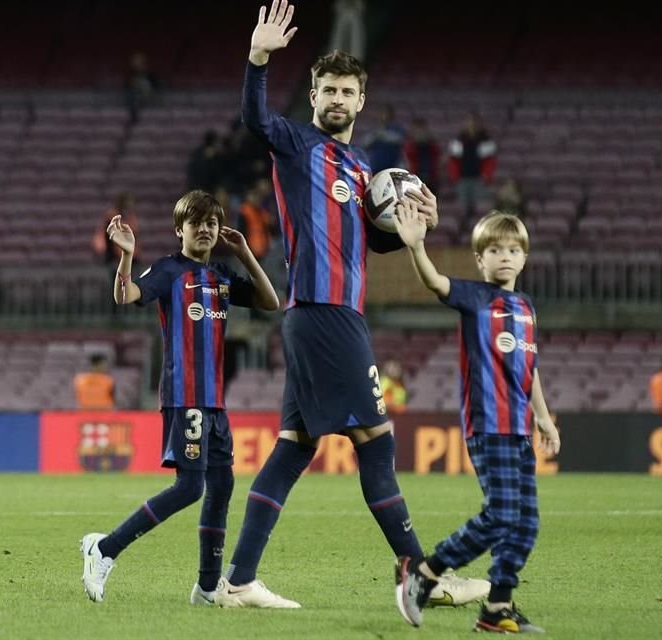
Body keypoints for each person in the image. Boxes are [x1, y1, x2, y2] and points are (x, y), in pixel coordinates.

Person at [214, 0, 488, 609]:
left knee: (292, 448)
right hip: (323, 310)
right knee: (378, 444)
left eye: (347, 91)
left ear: (362, 102)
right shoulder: (295, 143)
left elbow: (367, 237)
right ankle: (423, 575)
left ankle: (237, 581)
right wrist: (258, 59)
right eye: (327, 89)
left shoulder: (365, 167)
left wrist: (410, 230)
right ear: (312, 95)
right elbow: (254, 119)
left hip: (326, 314)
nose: (337, 98)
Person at [79, 190, 280, 604]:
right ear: (180, 230)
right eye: (196, 223)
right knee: (190, 488)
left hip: (215, 401)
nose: (204, 229)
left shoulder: (222, 275)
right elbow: (125, 296)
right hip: (184, 395)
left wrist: (245, 254)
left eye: (211, 222)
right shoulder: (170, 271)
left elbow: (270, 302)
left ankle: (208, 588)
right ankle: (105, 548)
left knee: (222, 486)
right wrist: (126, 257)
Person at [393, 206, 560, 634]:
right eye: (494, 249)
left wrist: (543, 417)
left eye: (512, 249)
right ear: (479, 260)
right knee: (502, 515)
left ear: (524, 257)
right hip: (488, 423)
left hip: (519, 427)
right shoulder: (475, 297)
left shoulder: (526, 307)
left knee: (526, 524)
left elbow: (530, 366)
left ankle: (497, 607)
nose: (504, 256)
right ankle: (426, 574)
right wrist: (416, 245)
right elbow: (434, 282)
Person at [447, 111, 497, 219]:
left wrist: (486, 176)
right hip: (462, 179)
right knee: (463, 209)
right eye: (469, 122)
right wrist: (455, 177)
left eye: (474, 122)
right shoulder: (459, 140)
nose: (471, 124)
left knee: (480, 210)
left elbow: (490, 162)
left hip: (479, 179)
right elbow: (453, 161)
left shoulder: (485, 140)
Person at [364, 105, 407, 174]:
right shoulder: (375, 128)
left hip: (392, 166)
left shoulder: (397, 128)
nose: (383, 115)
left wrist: (382, 134)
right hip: (376, 165)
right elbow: (365, 143)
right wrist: (375, 136)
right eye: (381, 113)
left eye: (385, 113)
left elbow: (399, 139)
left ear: (391, 115)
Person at [403, 116, 441, 193]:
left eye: (422, 129)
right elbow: (409, 156)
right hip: (415, 177)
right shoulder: (410, 145)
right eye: (417, 129)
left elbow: (437, 154)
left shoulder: (432, 145)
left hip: (431, 177)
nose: (420, 132)